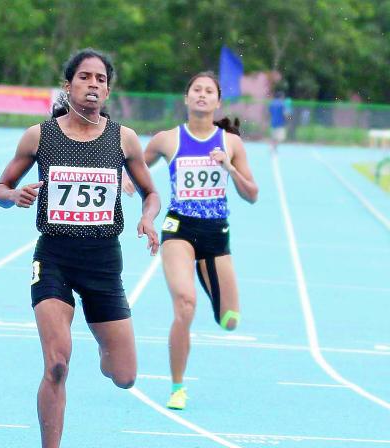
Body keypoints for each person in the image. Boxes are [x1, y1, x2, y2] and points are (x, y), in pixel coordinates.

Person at [0, 49, 160, 448]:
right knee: (56, 365)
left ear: (108, 90)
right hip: (55, 258)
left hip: (103, 263)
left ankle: (106, 349)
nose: (93, 85)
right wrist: (13, 195)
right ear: (68, 86)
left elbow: (151, 193)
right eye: (85, 77)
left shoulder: (124, 139)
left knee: (125, 376)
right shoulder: (40, 136)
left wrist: (148, 217)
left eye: (101, 79)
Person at [142, 71, 259, 411]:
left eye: (209, 91)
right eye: (196, 89)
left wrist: (230, 168)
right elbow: (136, 164)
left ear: (218, 101)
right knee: (184, 304)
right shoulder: (167, 139)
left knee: (230, 320)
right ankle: (178, 387)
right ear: (186, 97)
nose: (202, 95)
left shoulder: (230, 143)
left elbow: (252, 195)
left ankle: (213, 286)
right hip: (179, 228)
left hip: (216, 234)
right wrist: (130, 183)